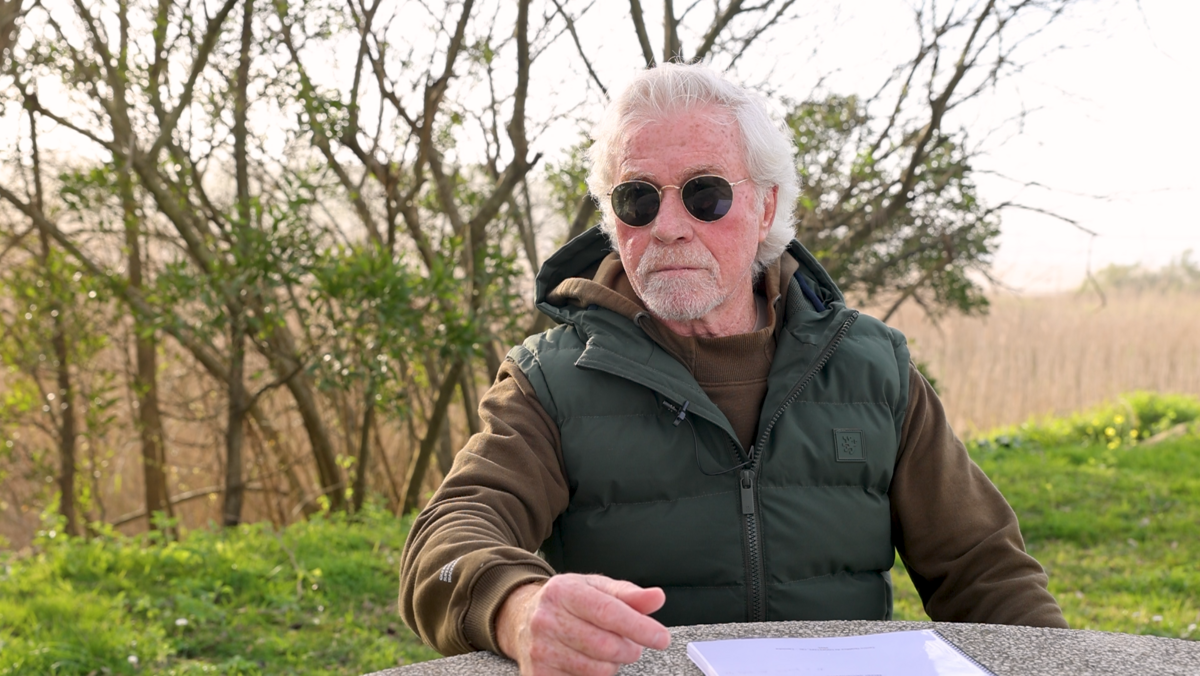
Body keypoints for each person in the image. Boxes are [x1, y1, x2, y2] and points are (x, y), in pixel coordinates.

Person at [399, 63, 1066, 676]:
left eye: (706, 194)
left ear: (766, 207)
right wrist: (518, 607)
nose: (667, 226)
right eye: (637, 199)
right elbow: (447, 542)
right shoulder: (550, 381)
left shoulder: (871, 368)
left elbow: (986, 573)